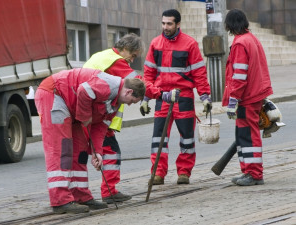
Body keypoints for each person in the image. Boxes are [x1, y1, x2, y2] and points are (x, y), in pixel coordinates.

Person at [34, 68, 145, 213]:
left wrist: (96, 152)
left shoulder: (116, 103)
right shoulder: (109, 85)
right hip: (55, 95)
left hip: (72, 108)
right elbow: (83, 91)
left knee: (80, 151)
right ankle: (60, 200)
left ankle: (81, 195)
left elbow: (100, 127)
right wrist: (85, 117)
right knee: (62, 149)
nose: (130, 105)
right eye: (132, 101)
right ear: (129, 92)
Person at [141, 9, 212, 185]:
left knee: (186, 137)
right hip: (162, 97)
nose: (165, 27)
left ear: (178, 24)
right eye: (163, 23)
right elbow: (148, 74)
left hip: (183, 97)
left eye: (169, 23)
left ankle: (184, 173)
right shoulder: (155, 44)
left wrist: (205, 97)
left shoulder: (190, 44)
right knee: (159, 138)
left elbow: (199, 73)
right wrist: (145, 97)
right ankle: (158, 173)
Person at [83, 33, 145, 204]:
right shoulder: (116, 61)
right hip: (97, 117)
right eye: (132, 56)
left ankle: (102, 191)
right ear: (125, 49)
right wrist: (161, 94)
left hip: (90, 113)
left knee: (92, 153)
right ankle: (109, 191)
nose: (131, 60)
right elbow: (137, 82)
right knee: (111, 152)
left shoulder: (101, 55)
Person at [223, 9, 273, 186]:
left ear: (230, 25)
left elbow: (239, 75)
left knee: (248, 135)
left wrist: (233, 99)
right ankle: (248, 171)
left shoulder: (240, 44)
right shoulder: (251, 39)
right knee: (245, 133)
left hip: (247, 96)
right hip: (255, 93)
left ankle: (253, 173)